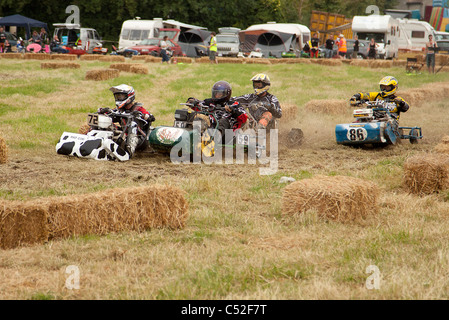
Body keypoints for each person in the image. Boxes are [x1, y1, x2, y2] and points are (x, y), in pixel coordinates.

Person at [97, 84, 156, 157]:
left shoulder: (138, 108)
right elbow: (110, 113)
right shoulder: (120, 110)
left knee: (133, 124)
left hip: (141, 138)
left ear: (129, 96)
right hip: (125, 136)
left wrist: (143, 115)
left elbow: (151, 117)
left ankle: (129, 152)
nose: (118, 98)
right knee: (107, 122)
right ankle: (96, 142)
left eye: (121, 96)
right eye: (117, 96)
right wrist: (103, 111)